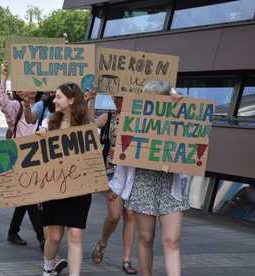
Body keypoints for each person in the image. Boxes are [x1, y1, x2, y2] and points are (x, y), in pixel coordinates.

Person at [112, 80, 189, 276]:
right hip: (143, 182)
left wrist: (178, 102)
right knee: (146, 237)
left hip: (169, 185)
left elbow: (195, 126)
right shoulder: (136, 119)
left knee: (172, 240)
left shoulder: (178, 119)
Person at [38, 82, 96, 276]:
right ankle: (48, 267)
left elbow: (93, 154)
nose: (54, 100)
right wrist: (40, 138)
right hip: (53, 187)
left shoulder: (87, 127)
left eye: (59, 97)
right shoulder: (48, 123)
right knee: (54, 236)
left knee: (75, 234)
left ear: (71, 100)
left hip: (79, 188)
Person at [0, 63, 45, 250]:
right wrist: (3, 76)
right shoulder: (16, 107)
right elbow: (0, 99)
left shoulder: (44, 107)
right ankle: (42, 236)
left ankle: (12, 231)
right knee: (29, 197)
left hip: (39, 157)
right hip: (18, 157)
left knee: (25, 198)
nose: (27, 88)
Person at [91, 95, 138, 275]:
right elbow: (88, 127)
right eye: (116, 99)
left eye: (121, 99)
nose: (118, 102)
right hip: (111, 171)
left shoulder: (140, 118)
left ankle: (127, 259)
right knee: (114, 215)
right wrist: (91, 101)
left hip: (133, 171)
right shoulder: (109, 116)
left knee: (130, 214)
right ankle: (102, 243)